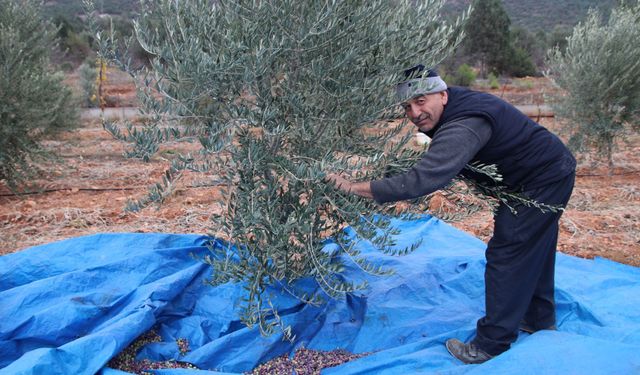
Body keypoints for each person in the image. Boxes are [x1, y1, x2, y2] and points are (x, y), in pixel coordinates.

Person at [326, 65, 576, 364]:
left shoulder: (464, 125)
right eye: (407, 106)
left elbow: (423, 179)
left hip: (541, 179)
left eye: (421, 101)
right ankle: (538, 318)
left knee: (508, 252)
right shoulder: (453, 108)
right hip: (537, 174)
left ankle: (491, 344)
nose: (415, 113)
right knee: (535, 246)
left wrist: (355, 188)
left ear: (443, 95)